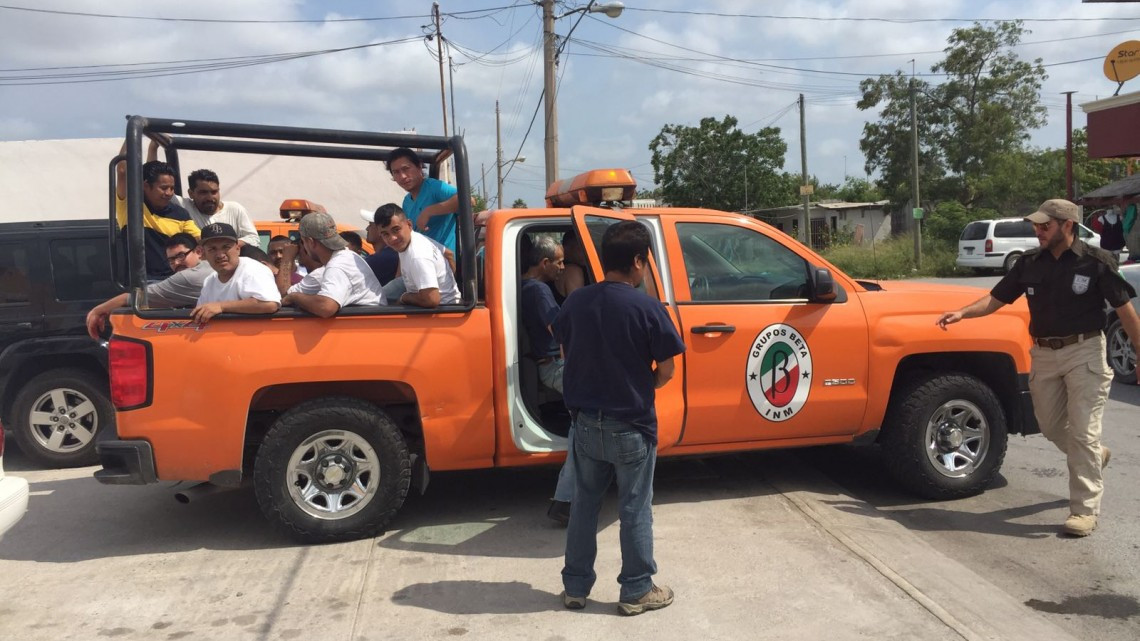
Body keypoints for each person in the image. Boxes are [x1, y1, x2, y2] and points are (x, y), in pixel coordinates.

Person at [937, 199, 1140, 538]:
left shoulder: (1096, 263)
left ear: (1067, 225)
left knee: (1082, 432)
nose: (1038, 230)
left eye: (1045, 225)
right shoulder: (1029, 264)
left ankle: (1084, 510)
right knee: (1049, 425)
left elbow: (1125, 310)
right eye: (1036, 225)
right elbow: (996, 298)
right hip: (1044, 354)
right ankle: (1094, 455)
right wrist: (963, 312)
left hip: (1085, 351)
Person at [554, 220, 686, 615]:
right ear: (638, 262)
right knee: (634, 508)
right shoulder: (647, 307)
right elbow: (666, 370)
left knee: (584, 504)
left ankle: (575, 588)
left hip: (585, 425)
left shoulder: (576, 301)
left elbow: (565, 352)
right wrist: (638, 385)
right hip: (631, 425)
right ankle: (636, 591)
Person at [85, 233, 212, 339]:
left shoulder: (188, 277)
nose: (177, 263)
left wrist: (97, 311)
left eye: (181, 255)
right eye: (171, 260)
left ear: (199, 251)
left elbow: (132, 298)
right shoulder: (210, 267)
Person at [115, 142, 200, 281]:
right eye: (164, 188)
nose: (169, 193)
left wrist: (153, 146)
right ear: (146, 186)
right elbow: (123, 171)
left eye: (172, 188)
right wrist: (132, 134)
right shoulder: (132, 206)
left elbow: (200, 239)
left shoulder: (180, 214)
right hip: (145, 282)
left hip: (176, 279)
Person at [276, 212, 384, 317]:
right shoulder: (347, 256)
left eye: (303, 242)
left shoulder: (337, 266)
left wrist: (287, 259)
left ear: (310, 241)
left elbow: (326, 307)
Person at [372, 204, 460, 308]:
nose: (392, 238)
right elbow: (449, 254)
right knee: (380, 297)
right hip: (448, 303)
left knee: (375, 305)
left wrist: (404, 297)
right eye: (385, 234)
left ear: (409, 224)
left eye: (396, 229)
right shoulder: (416, 238)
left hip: (440, 312)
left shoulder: (418, 256)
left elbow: (431, 300)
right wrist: (451, 287)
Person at [191, 223, 281, 322]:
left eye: (226, 247)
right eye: (212, 249)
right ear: (204, 254)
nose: (220, 255)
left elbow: (270, 304)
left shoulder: (253, 269)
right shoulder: (209, 280)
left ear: (237, 249)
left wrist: (221, 306)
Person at [386, 147, 462, 251]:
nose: (402, 176)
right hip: (422, 259)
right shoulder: (407, 202)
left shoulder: (434, 187)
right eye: (396, 172)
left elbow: (468, 201)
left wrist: (429, 211)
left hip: (444, 262)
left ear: (419, 167)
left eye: (406, 169)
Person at [359, 210, 400, 285]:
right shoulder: (391, 254)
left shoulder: (384, 257)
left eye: (370, 225)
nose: (367, 228)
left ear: (380, 231)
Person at [553, 230, 588, 304]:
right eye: (580, 248)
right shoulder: (573, 271)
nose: (585, 253)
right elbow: (577, 306)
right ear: (567, 248)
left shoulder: (557, 268)